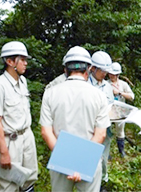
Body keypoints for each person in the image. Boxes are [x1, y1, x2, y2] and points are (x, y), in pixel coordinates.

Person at [40, 46, 110, 191]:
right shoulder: (99, 96)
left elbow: (46, 132)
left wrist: (67, 162)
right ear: (88, 69)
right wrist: (80, 164)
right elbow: (101, 134)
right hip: (89, 160)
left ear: (65, 70)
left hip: (60, 160)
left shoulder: (50, 93)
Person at [0, 41, 38, 192]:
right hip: (10, 140)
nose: (25, 63)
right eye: (22, 59)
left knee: (29, 178)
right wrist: (3, 153)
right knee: (9, 184)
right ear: (10, 61)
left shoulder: (23, 81)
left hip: (27, 135)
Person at [88, 51, 113, 183]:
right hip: (89, 128)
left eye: (106, 71)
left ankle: (103, 181)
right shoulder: (85, 84)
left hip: (105, 128)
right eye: (101, 71)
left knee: (103, 156)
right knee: (90, 156)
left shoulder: (107, 86)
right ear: (93, 68)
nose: (104, 74)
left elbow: (111, 105)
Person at [107, 62, 135, 157]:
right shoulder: (106, 84)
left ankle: (121, 151)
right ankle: (108, 152)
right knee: (107, 131)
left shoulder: (123, 84)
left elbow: (131, 96)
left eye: (114, 75)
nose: (112, 76)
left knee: (120, 131)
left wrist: (120, 93)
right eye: (110, 74)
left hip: (120, 111)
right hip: (108, 111)